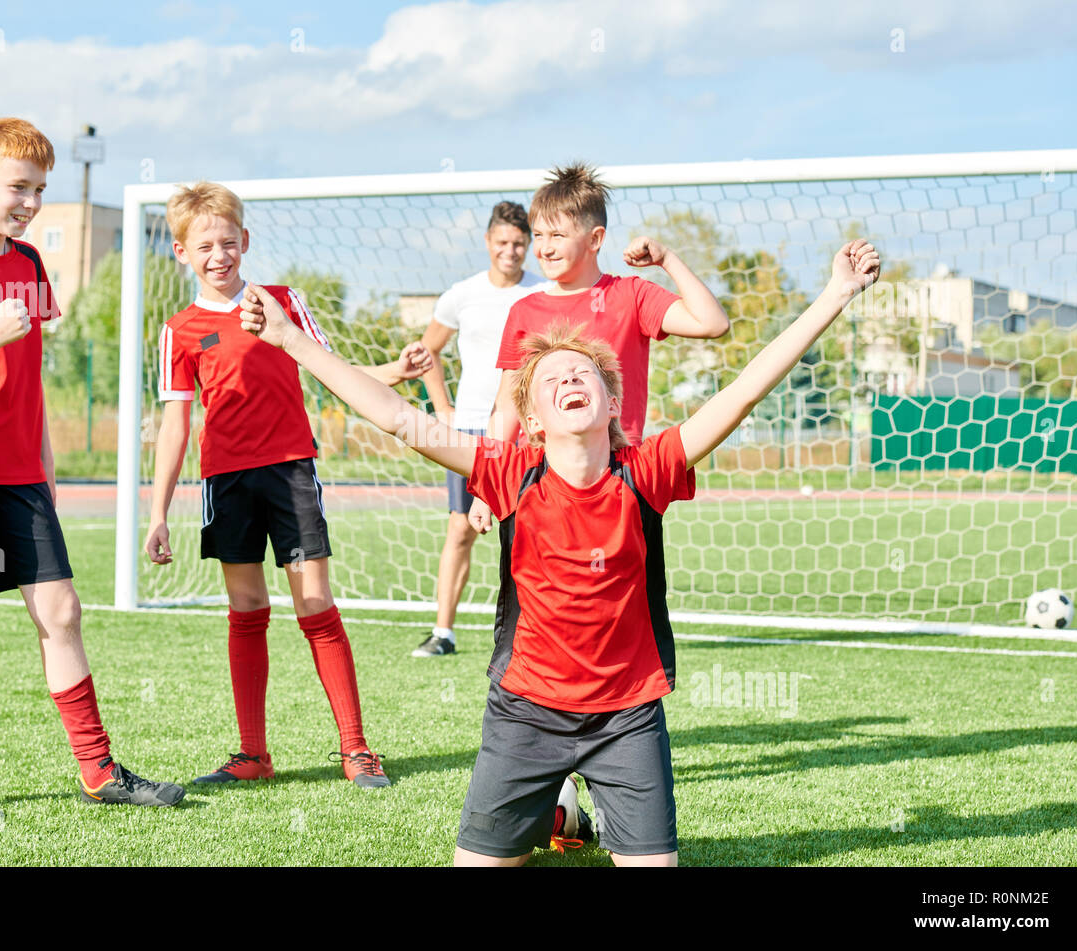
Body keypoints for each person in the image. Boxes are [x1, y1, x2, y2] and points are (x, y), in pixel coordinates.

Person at [238, 238, 881, 865]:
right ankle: (559, 812)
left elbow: (742, 392)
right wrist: (291, 339)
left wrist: (836, 293)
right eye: (551, 378)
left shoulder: (647, 469)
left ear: (612, 404)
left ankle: (571, 809)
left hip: (627, 716)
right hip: (525, 711)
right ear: (533, 420)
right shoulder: (509, 470)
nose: (569, 377)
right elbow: (398, 418)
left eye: (582, 373)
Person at [0, 117, 184, 816]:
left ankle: (99, 771)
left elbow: (32, 378)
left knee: (61, 610)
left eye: (41, 190)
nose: (30, 202)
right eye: (18, 187)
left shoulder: (29, 265)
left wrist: (46, 464)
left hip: (21, 472)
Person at [145, 181, 430, 788]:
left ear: (245, 240)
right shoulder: (180, 330)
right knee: (247, 608)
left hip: (290, 471)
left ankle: (356, 748)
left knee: (314, 604)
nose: (219, 255)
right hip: (226, 481)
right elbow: (175, 424)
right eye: (204, 246)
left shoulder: (280, 302)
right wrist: (158, 512)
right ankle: (253, 754)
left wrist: (395, 371)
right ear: (181, 252)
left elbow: (333, 370)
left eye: (228, 242)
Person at [468, 162, 731, 535]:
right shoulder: (524, 312)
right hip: (540, 480)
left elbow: (712, 323)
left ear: (595, 239)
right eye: (538, 235)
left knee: (630, 575)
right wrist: (485, 488)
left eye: (557, 235)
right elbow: (508, 406)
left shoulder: (631, 295)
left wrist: (667, 260)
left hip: (618, 479)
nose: (544, 248)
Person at [412, 201, 548, 657]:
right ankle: (443, 633)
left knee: (534, 530)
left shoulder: (542, 291)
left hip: (528, 430)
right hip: (471, 430)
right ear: (488, 241)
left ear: (528, 246)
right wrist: (443, 408)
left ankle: (540, 634)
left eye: (519, 243)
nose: (511, 251)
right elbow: (427, 351)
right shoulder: (461, 295)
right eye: (503, 242)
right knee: (460, 529)